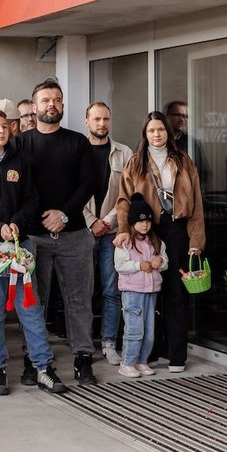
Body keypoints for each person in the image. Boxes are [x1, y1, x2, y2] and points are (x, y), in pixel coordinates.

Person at [0, 107, 64, 396]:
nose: (1, 131)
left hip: (20, 247)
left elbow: (32, 199)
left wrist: (16, 222)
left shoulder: (20, 162)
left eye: (4, 126)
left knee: (29, 309)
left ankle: (43, 367)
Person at [14, 78, 97, 386]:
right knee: (34, 301)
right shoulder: (20, 143)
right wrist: (39, 217)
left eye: (57, 99)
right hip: (33, 237)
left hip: (74, 234)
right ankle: (32, 359)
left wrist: (64, 213)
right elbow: (16, 188)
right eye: (46, 100)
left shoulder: (78, 142)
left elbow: (89, 183)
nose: (52, 104)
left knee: (79, 300)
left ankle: (83, 359)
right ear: (34, 107)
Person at [115, 111, 205, 373]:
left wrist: (196, 239)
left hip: (178, 229)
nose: (157, 134)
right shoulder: (135, 163)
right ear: (145, 133)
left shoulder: (184, 161)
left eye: (161, 130)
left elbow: (197, 204)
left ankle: (176, 354)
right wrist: (123, 230)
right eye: (151, 130)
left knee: (176, 293)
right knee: (146, 293)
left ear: (169, 132)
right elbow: (124, 201)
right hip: (147, 231)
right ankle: (147, 354)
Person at [82, 101, 134, 366]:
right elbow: (70, 192)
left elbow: (128, 194)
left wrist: (107, 220)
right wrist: (91, 221)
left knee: (111, 290)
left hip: (112, 233)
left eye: (106, 119)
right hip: (82, 232)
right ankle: (83, 344)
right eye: (96, 119)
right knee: (82, 291)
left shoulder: (124, 153)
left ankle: (109, 342)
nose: (102, 124)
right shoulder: (77, 150)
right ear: (86, 121)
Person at [113, 193, 167, 379]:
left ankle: (141, 361)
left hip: (151, 291)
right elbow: (120, 265)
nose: (145, 225)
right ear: (132, 222)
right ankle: (127, 362)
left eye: (148, 221)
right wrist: (138, 266)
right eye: (140, 221)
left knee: (149, 330)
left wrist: (161, 260)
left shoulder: (155, 241)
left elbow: (165, 260)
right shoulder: (126, 242)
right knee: (134, 329)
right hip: (132, 291)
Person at [164, 100, 208, 184]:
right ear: (166, 117)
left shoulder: (191, 143)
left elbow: (202, 173)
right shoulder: (157, 139)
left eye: (186, 116)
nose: (182, 119)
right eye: (177, 115)